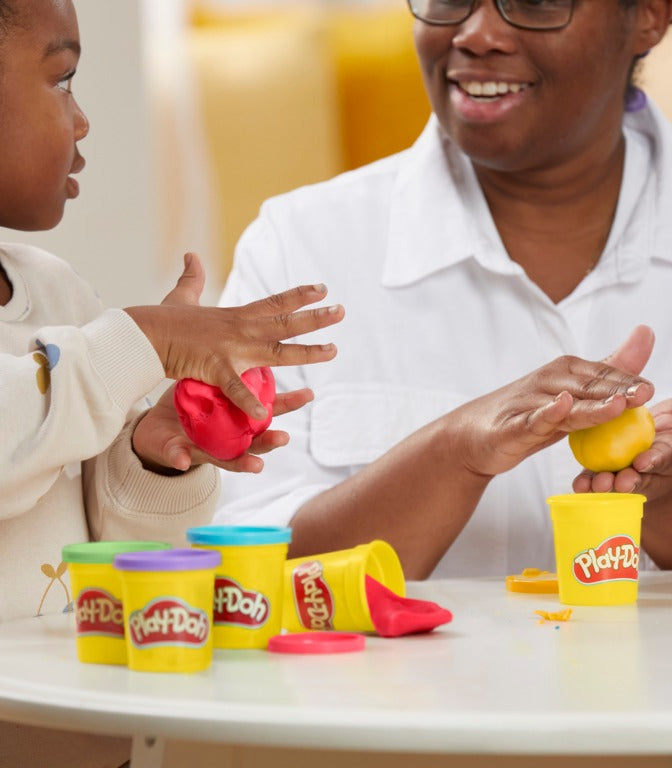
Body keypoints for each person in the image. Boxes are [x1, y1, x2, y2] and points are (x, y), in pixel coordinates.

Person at [0, 1, 344, 766]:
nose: (81, 121)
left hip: (95, 746)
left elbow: (127, 557)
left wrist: (149, 454)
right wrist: (146, 338)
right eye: (62, 80)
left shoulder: (58, 292)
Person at [214, 0, 672, 579]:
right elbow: (247, 577)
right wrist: (455, 452)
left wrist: (661, 511)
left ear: (648, 15)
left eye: (534, 2)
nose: (477, 34)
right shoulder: (299, 249)